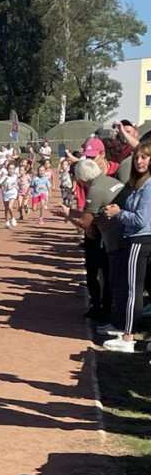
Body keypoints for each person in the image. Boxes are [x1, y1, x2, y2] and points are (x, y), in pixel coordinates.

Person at [52, 158, 125, 328]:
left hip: (115, 239)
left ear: (82, 178)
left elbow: (85, 223)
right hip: (122, 234)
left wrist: (68, 216)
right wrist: (71, 211)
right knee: (112, 277)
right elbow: (93, 214)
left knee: (112, 279)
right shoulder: (110, 181)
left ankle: (113, 320)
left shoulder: (95, 190)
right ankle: (112, 316)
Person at [101, 141, 151, 354]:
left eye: (145, 157)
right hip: (142, 238)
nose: (139, 161)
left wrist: (118, 213)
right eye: (137, 157)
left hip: (140, 240)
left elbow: (141, 219)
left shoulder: (148, 186)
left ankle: (128, 337)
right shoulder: (140, 183)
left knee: (134, 290)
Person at [0, 161, 19, 228]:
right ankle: (7, 222)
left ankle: (13, 218)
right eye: (10, 168)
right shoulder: (5, 176)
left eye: (12, 169)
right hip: (6, 193)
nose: (11, 170)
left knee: (10, 206)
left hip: (13, 193)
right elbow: (0, 182)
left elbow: (18, 181)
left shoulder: (16, 176)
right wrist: (4, 180)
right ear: (7, 169)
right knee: (6, 209)